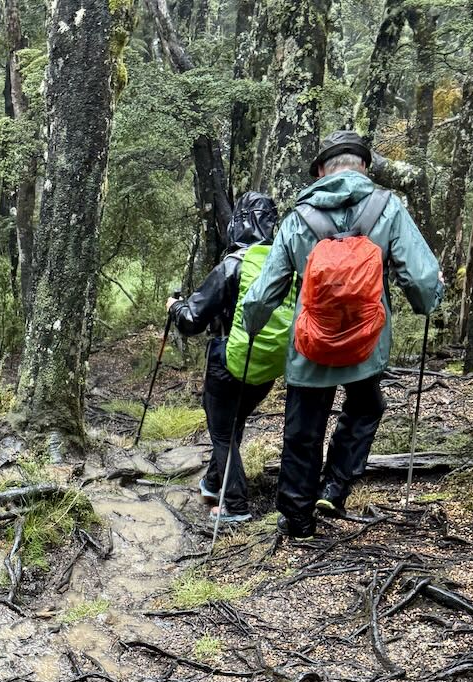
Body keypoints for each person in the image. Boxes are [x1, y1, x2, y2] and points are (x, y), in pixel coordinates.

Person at [240, 129, 442, 538]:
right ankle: (335, 484)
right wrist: (427, 304)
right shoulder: (388, 208)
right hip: (366, 344)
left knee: (303, 429)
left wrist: (251, 324)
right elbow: (421, 280)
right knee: (366, 406)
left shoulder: (299, 219)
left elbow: (264, 293)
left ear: (320, 171)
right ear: (364, 166)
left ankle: (298, 519)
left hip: (311, 344)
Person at [167, 191, 286, 524]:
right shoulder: (283, 262)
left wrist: (174, 307)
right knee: (233, 423)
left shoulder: (232, 265)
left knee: (222, 431)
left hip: (228, 360)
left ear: (239, 223)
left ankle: (235, 504)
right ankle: (212, 482)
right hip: (267, 364)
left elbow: (192, 321)